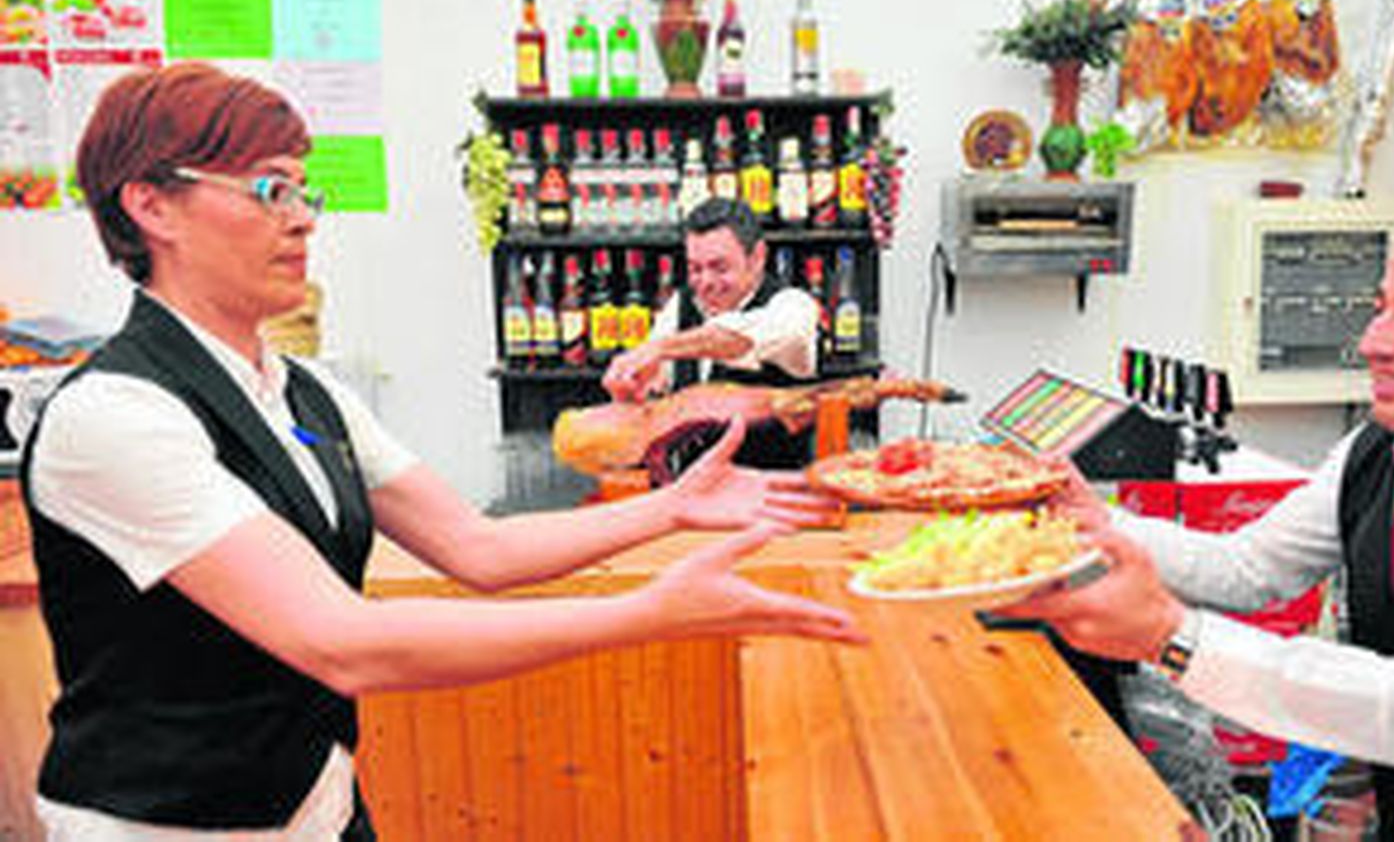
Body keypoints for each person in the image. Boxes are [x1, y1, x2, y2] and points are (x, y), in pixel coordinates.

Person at [24, 61, 863, 842]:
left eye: (302, 188)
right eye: (268, 188)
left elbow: (479, 547)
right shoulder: (114, 417)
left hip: (320, 804)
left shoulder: (308, 394)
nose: (304, 217)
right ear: (151, 206)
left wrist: (669, 506)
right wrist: (643, 614)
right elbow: (344, 641)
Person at [1000, 206, 1394, 841]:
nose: (1373, 342)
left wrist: (1171, 636)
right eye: (1381, 308)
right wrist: (1096, 521)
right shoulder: (1379, 451)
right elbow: (1251, 568)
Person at [602, 197, 822, 470]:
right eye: (695, 268)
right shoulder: (681, 306)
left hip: (771, 500)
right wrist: (629, 396)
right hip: (693, 499)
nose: (705, 283)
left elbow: (737, 340)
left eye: (720, 267)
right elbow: (651, 402)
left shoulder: (793, 307)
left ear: (757, 258)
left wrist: (658, 349)